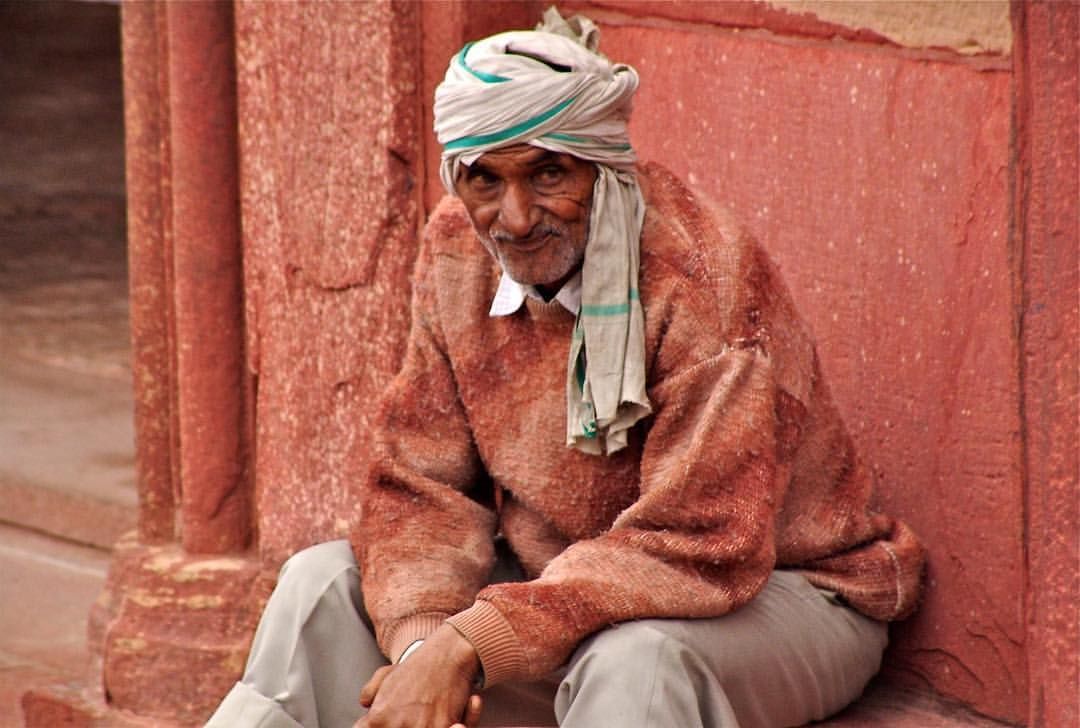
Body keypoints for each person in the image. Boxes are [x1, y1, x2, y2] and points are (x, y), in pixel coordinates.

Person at [206, 10, 924, 728]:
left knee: (636, 665)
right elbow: (420, 486)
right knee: (319, 586)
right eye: (484, 179)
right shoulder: (457, 251)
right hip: (563, 594)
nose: (515, 219)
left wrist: (471, 644)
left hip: (776, 593)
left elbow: (703, 542)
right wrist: (424, 646)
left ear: (602, 165)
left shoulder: (704, 281)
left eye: (549, 173)